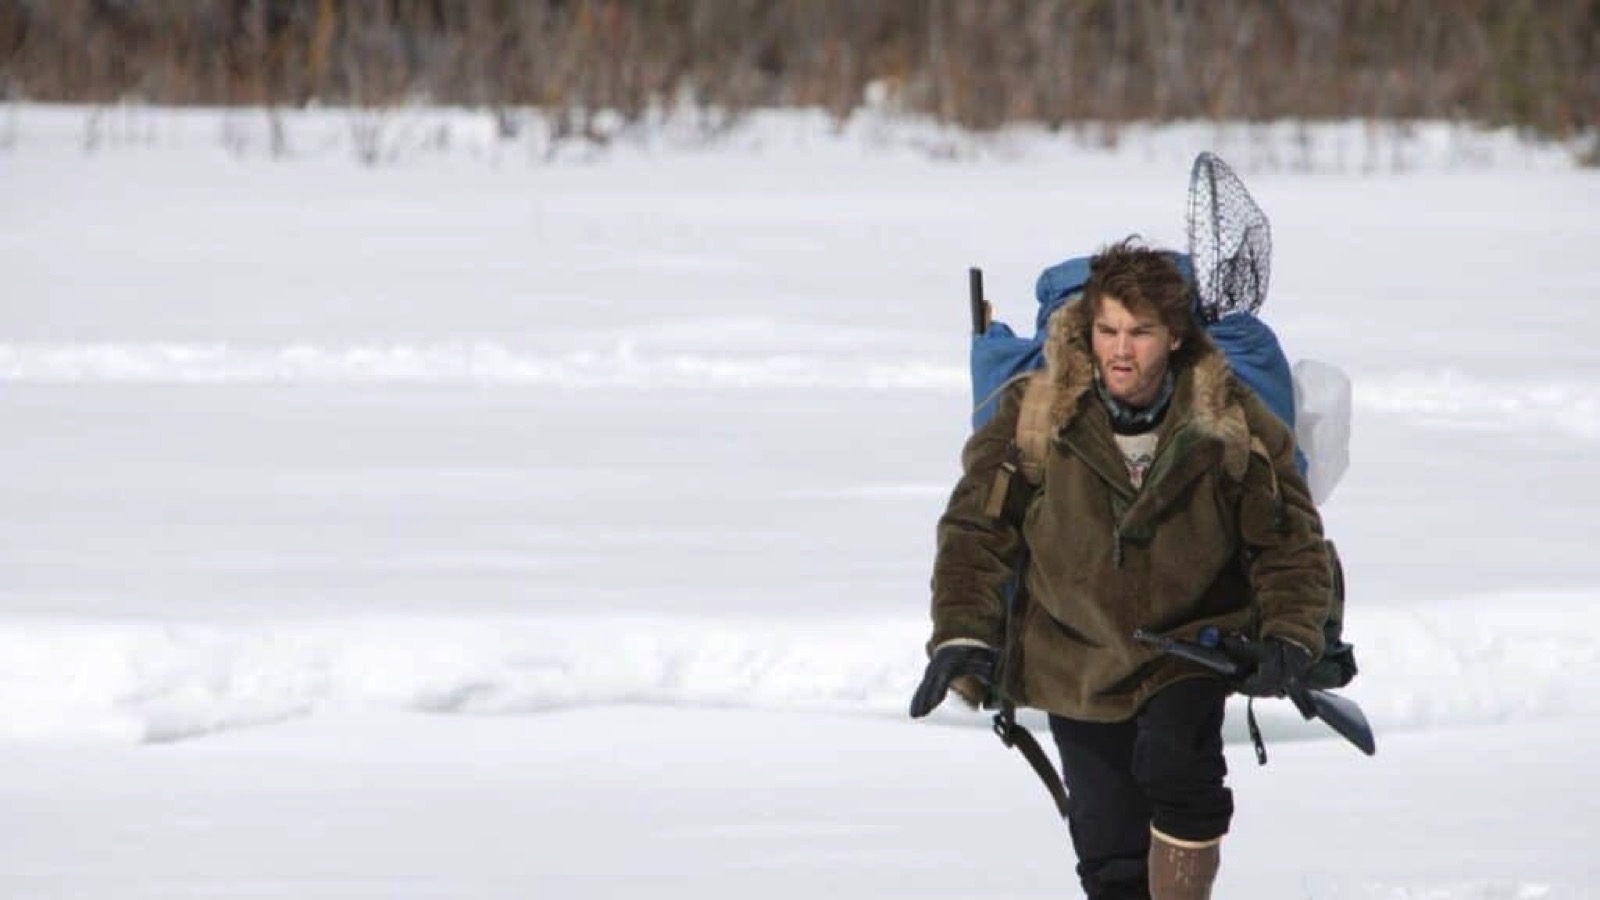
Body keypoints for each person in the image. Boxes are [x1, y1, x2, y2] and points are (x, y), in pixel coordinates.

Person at [909, 238, 1332, 900]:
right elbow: (975, 530)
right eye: (1107, 329)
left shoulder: (1225, 414)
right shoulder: (1035, 411)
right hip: (1074, 657)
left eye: (1140, 332)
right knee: (1110, 860)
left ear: (1173, 335)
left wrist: (1291, 634)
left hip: (1192, 644)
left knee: (1177, 766)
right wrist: (964, 634)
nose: (1121, 350)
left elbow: (1288, 541)